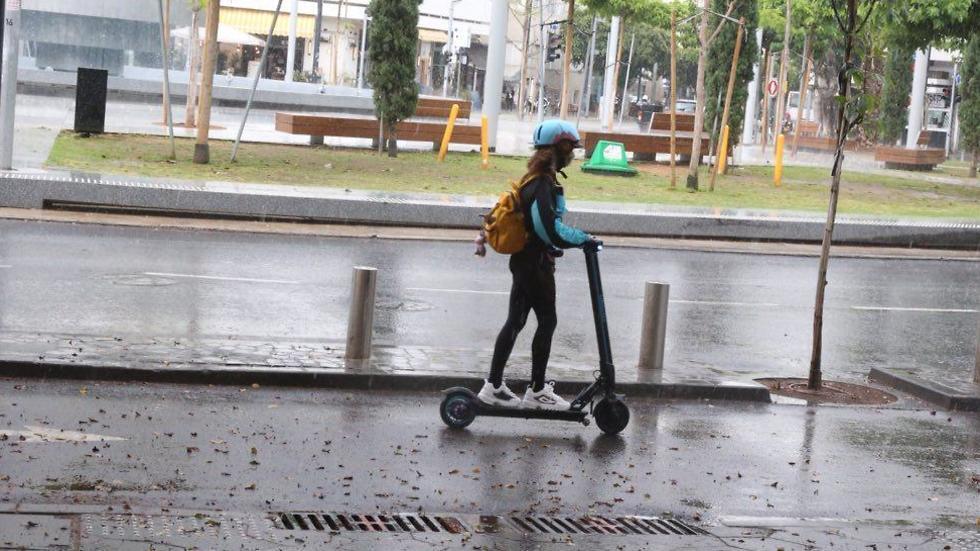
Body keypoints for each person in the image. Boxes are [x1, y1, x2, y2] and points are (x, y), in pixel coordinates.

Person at [477, 120, 594, 410]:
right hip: (534, 265)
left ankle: (493, 386)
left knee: (515, 322)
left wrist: (563, 242)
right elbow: (548, 229)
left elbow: (541, 228)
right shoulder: (541, 183)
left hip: (525, 262)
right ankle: (538, 390)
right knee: (547, 321)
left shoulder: (536, 179)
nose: (573, 154)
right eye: (569, 148)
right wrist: (583, 240)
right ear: (557, 149)